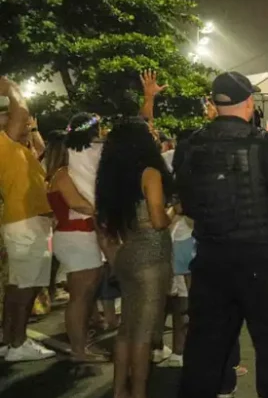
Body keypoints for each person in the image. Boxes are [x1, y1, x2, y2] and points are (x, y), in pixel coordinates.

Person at [175, 72, 268, 398]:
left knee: (205, 346)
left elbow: (187, 203)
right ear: (249, 102)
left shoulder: (190, 146)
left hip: (211, 255)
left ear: (214, 103)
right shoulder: (267, 146)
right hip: (259, 255)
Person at [96, 119, 174, 398]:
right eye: (150, 134)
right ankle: (139, 392)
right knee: (144, 334)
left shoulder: (112, 176)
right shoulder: (150, 173)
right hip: (151, 257)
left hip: (127, 255)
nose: (154, 136)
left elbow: (103, 226)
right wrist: (175, 211)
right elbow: (157, 220)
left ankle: (119, 391)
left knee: (127, 329)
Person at [0, 77, 56, 362]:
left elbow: (40, 145)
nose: (22, 123)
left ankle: (9, 339)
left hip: (29, 223)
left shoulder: (20, 150)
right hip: (26, 223)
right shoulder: (3, 144)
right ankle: (19, 342)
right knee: (26, 286)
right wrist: (11, 87)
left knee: (20, 285)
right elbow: (20, 113)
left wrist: (31, 128)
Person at [43, 134, 106, 361]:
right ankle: (79, 350)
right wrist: (101, 209)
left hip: (76, 236)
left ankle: (81, 346)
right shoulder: (63, 175)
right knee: (80, 296)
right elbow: (78, 203)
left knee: (84, 295)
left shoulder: (61, 174)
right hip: (76, 236)